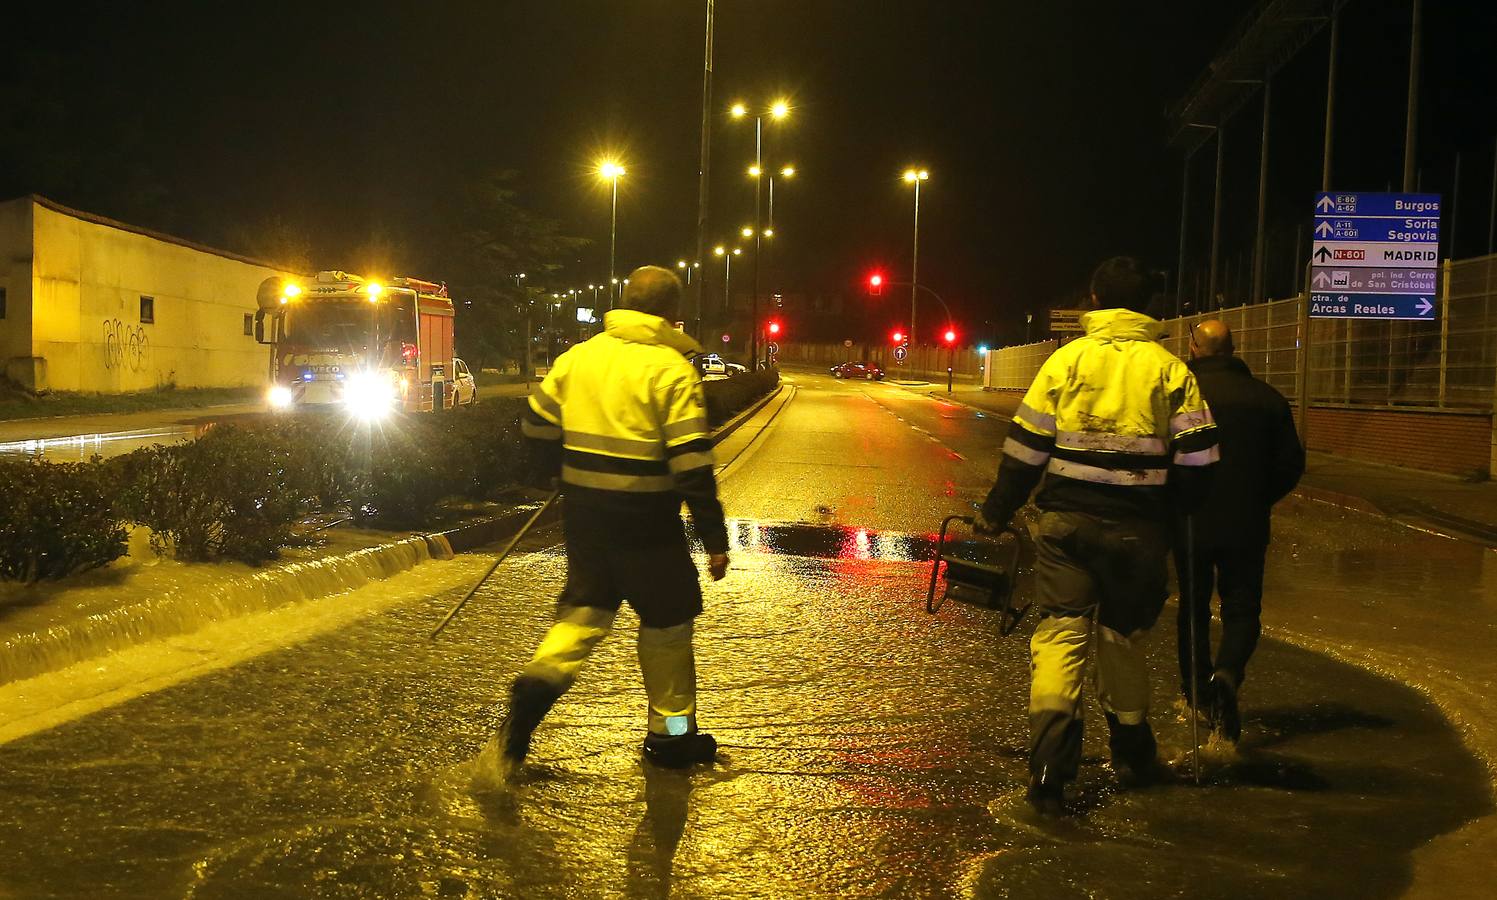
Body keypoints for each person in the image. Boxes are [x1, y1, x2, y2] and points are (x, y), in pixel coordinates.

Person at [974, 256, 1219, 816]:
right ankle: (1134, 754)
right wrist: (1177, 513)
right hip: (1138, 533)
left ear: (1094, 300)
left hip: (1065, 525)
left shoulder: (1065, 361)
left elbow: (1025, 449)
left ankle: (1047, 773)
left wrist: (996, 509)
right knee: (1122, 639)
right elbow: (1201, 458)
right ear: (1148, 307)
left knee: (1060, 637)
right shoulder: (1170, 370)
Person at [477, 265, 730, 783]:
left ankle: (537, 684)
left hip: (586, 517)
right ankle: (671, 737)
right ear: (670, 313)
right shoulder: (671, 370)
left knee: (584, 612)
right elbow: (691, 461)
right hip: (648, 522)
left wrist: (553, 475)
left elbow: (534, 423)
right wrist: (715, 538)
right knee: (668, 623)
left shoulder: (578, 357)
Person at [1174, 320, 1304, 742]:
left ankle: (1197, 696)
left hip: (1191, 518)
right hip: (1247, 521)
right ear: (1231, 350)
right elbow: (1290, 465)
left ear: (1194, 349)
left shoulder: (1180, 396)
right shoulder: (1267, 398)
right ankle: (1228, 673)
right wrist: (1258, 497)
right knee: (1242, 607)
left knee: (1192, 607)